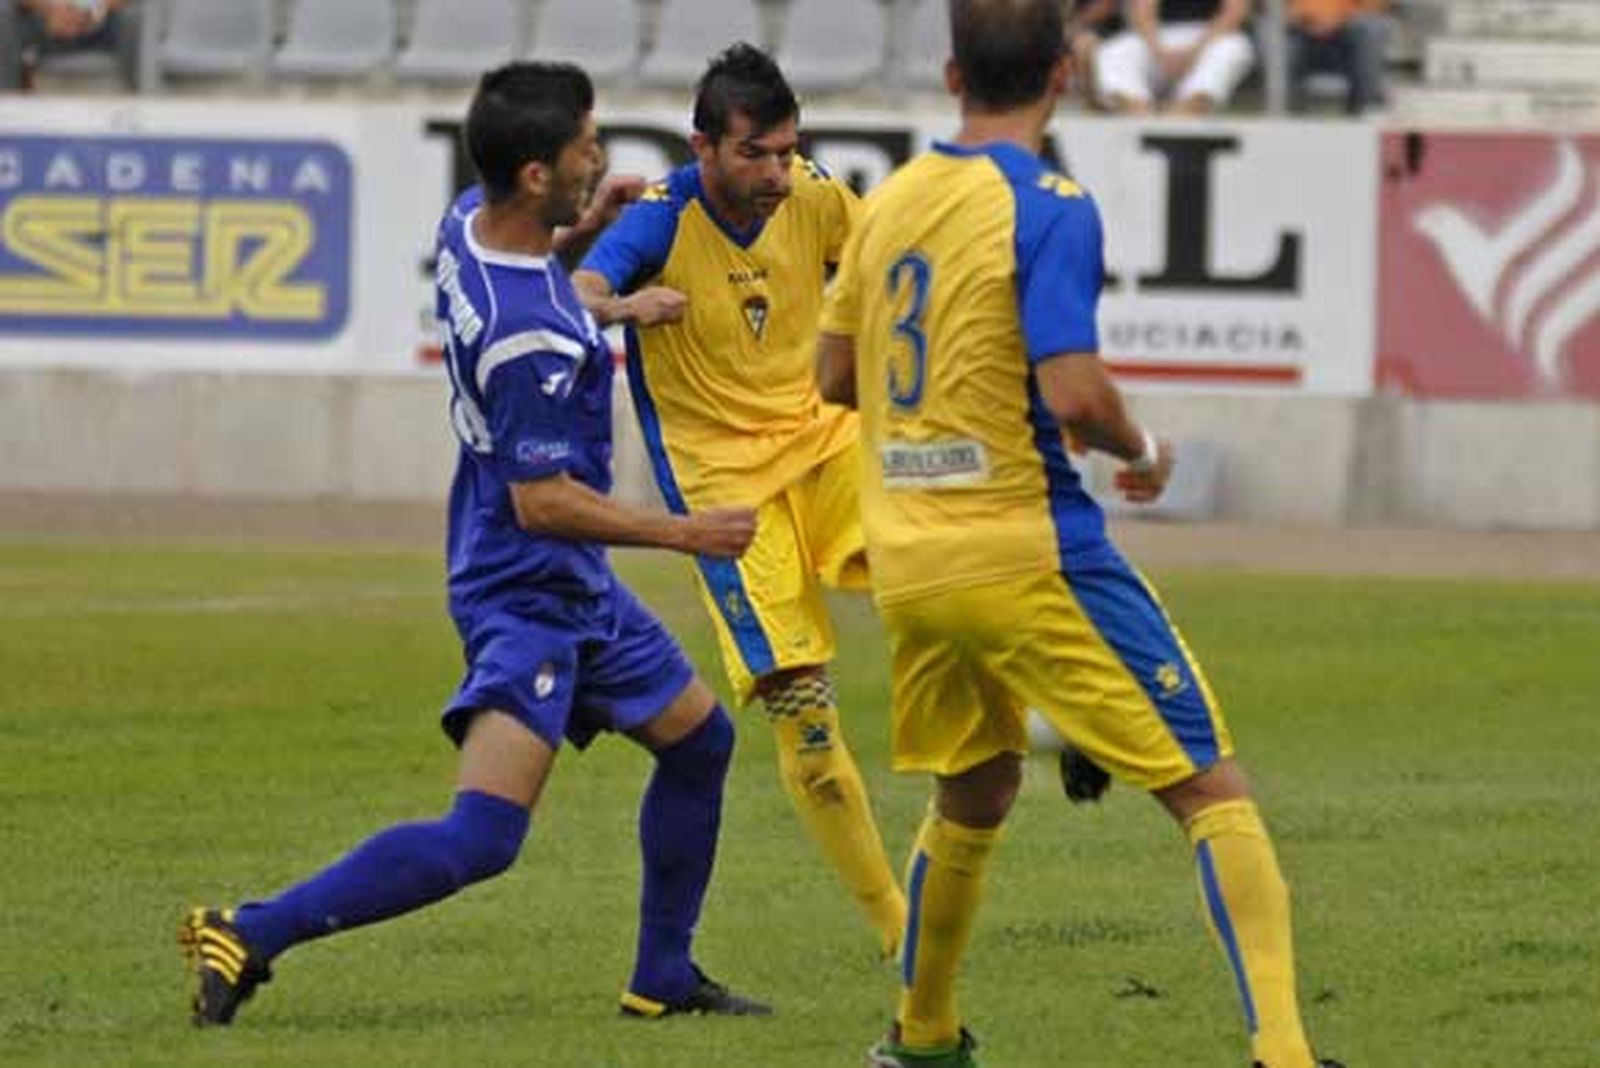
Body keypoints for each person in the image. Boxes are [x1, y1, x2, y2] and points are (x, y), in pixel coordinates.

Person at [180, 61, 771, 1028]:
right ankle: (250, 929)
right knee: (486, 836)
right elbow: (544, 501)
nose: (601, 156)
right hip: (528, 586)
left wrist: (600, 274)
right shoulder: (525, 335)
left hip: (561, 577)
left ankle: (663, 976)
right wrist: (685, 533)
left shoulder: (469, 222)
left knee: (701, 740)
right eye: (586, 146)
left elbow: (537, 291)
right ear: (535, 173)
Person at [815, 2, 1342, 1066]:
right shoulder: (1051, 205)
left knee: (974, 789)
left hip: (908, 559)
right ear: (1066, 72)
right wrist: (1142, 449)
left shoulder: (890, 200)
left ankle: (920, 1039)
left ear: (953, 73)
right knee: (1207, 787)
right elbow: (1074, 391)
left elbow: (832, 376)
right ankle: (1284, 1056)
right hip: (1024, 541)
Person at [572, 44, 907, 959]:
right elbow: (580, 288)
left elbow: (889, 260)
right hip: (724, 493)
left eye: (786, 151)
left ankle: (1044, 719)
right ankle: (898, 932)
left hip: (826, 443)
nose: (774, 173)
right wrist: (623, 310)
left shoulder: (812, 192)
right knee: (805, 712)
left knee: (938, 573)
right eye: (754, 153)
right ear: (705, 147)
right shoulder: (661, 220)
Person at [1095, 0, 1255, 114]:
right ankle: (1137, 109)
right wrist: (1160, 53)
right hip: (1158, 38)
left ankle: (1189, 108)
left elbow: (1235, 11)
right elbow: (1142, 11)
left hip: (1211, 36)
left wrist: (1193, 53)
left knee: (1233, 48)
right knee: (1113, 51)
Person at [0, 0, 141, 91]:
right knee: (4, 14)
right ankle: (8, 106)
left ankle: (143, 107)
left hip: (105, 20)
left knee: (136, 18)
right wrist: (49, 10)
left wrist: (94, 10)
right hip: (44, 19)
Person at [1287, 0, 1389, 115]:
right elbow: (1273, 8)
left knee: (1373, 27)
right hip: (1300, 31)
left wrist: (1337, 20)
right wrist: (1303, 20)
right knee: (1274, 31)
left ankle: (1366, 106)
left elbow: (1374, 7)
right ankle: (1284, 108)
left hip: (1345, 31)